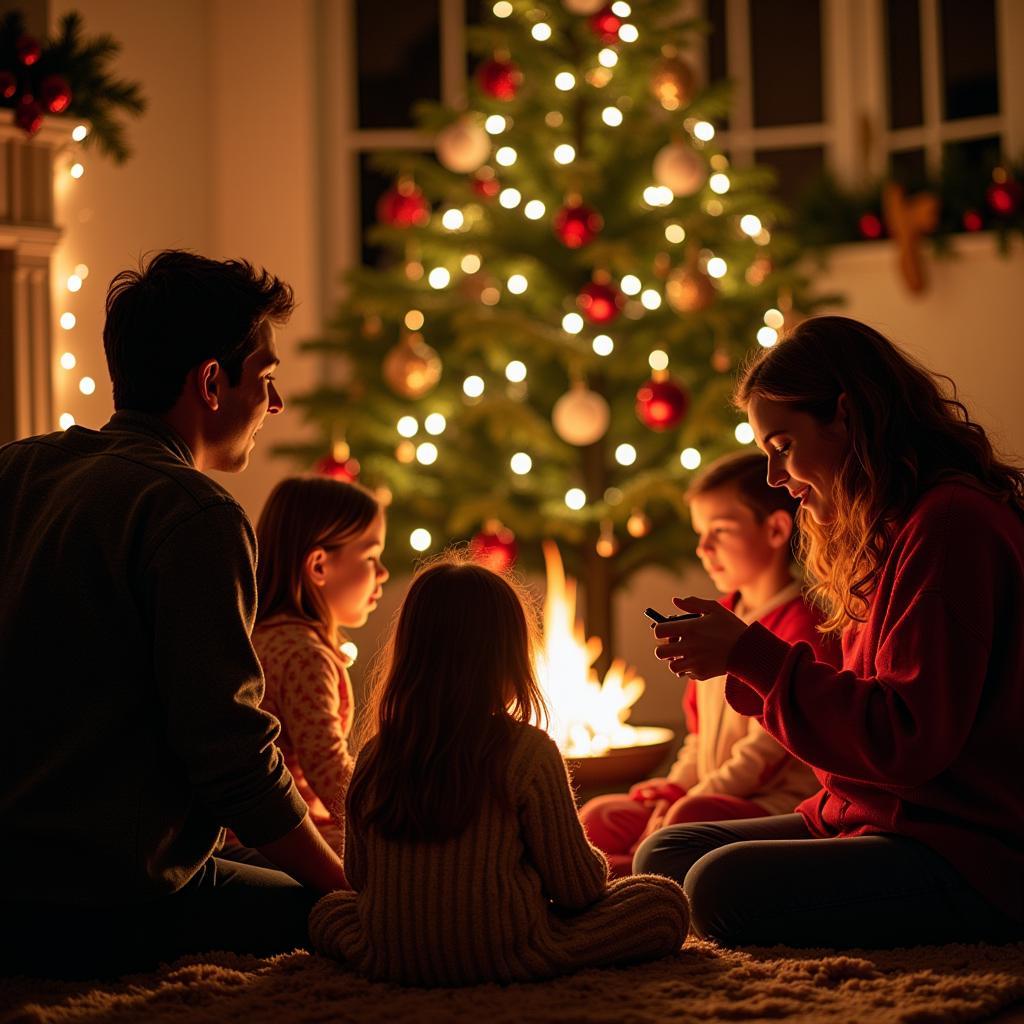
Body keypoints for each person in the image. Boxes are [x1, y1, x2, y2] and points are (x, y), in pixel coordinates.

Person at [0, 250, 346, 978]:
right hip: (109, 900)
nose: (276, 405)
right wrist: (347, 885)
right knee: (345, 919)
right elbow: (230, 755)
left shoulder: (16, 468)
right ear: (212, 382)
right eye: (268, 379)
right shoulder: (195, 513)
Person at [634, 315, 1024, 949]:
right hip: (874, 820)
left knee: (715, 887)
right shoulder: (890, 529)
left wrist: (751, 655)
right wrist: (743, 658)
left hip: (964, 847)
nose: (773, 478)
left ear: (845, 415)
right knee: (669, 853)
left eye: (782, 445)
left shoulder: (951, 527)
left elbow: (906, 743)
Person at [309, 552, 690, 986]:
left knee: (328, 912)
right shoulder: (527, 752)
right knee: (662, 903)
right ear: (509, 660)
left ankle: (415, 944)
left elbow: (359, 878)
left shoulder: (375, 754)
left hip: (390, 956)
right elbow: (577, 889)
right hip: (507, 953)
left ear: (411, 655)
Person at [580, 452, 839, 876]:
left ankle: (626, 875)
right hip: (707, 792)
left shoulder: (802, 624)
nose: (703, 548)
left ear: (775, 529)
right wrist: (676, 786)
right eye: (701, 533)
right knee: (600, 814)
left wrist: (689, 799)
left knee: (688, 816)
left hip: (771, 804)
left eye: (719, 531)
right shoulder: (716, 620)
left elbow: (764, 752)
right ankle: (628, 870)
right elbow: (698, 735)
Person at [221, 476, 388, 867]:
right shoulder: (306, 656)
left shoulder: (261, 634)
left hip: (240, 830)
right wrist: (391, 815)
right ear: (318, 566)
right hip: (268, 840)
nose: (382, 573)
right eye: (370, 556)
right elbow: (330, 776)